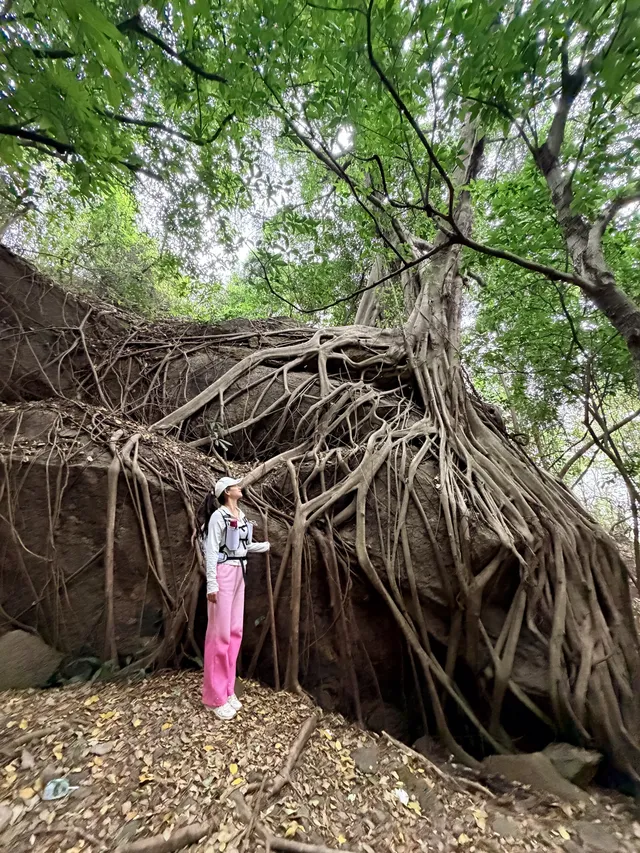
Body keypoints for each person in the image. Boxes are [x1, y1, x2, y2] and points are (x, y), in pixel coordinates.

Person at [199, 476, 270, 720]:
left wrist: (261, 547)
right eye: (236, 485)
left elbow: (241, 547)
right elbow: (212, 548)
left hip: (240, 571)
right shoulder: (219, 516)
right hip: (224, 572)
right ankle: (214, 697)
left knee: (234, 631)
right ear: (227, 492)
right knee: (219, 634)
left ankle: (228, 689)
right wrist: (212, 582)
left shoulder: (240, 515)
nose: (241, 487)